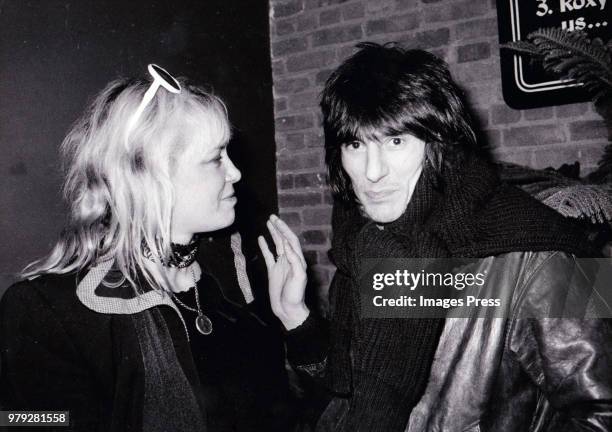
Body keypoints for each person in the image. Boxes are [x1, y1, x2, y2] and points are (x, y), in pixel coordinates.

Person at [258, 43, 612, 431]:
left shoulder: (547, 253)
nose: (372, 172)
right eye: (356, 144)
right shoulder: (366, 240)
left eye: (396, 141)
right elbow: (349, 398)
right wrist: (297, 319)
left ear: (438, 144)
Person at [0, 65, 290, 431]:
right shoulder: (45, 311)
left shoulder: (238, 270)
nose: (235, 173)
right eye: (216, 157)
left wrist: (296, 321)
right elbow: (24, 423)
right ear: (151, 178)